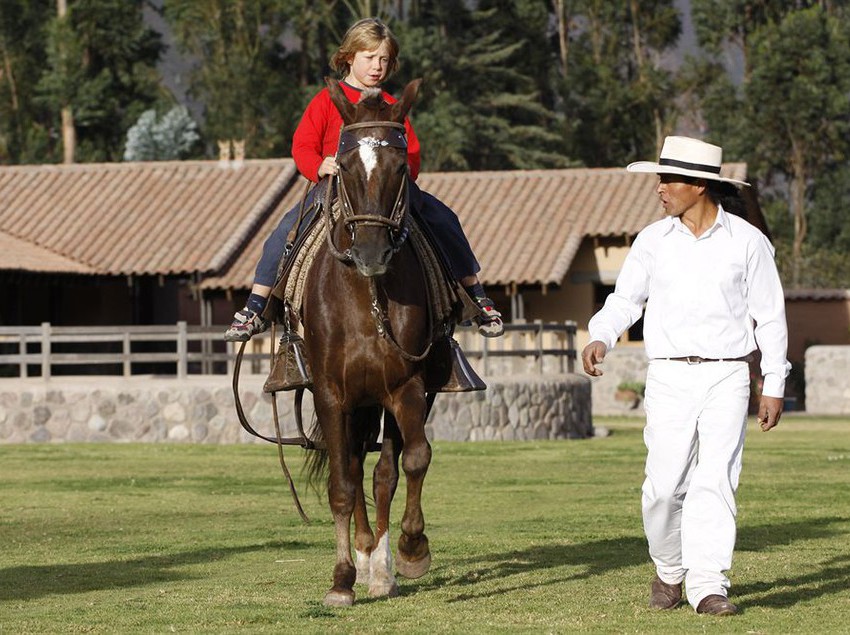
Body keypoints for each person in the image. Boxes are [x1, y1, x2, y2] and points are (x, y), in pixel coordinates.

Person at [581, 136, 790, 616]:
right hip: (669, 376)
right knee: (662, 488)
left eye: (668, 179)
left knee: (716, 481)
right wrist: (602, 336)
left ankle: (709, 585)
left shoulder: (748, 243)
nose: (660, 188)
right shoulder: (652, 242)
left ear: (699, 185)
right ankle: (669, 570)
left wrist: (774, 384)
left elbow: (771, 317)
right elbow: (625, 301)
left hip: (728, 376)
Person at [224, 18, 503, 341]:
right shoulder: (326, 100)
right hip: (336, 186)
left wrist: (398, 173)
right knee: (287, 231)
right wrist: (319, 166)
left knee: (443, 218)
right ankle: (256, 306)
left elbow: (412, 152)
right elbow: (302, 145)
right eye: (369, 57)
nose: (377, 66)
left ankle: (476, 296)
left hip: (389, 188)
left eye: (384, 59)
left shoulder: (391, 107)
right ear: (349, 57)